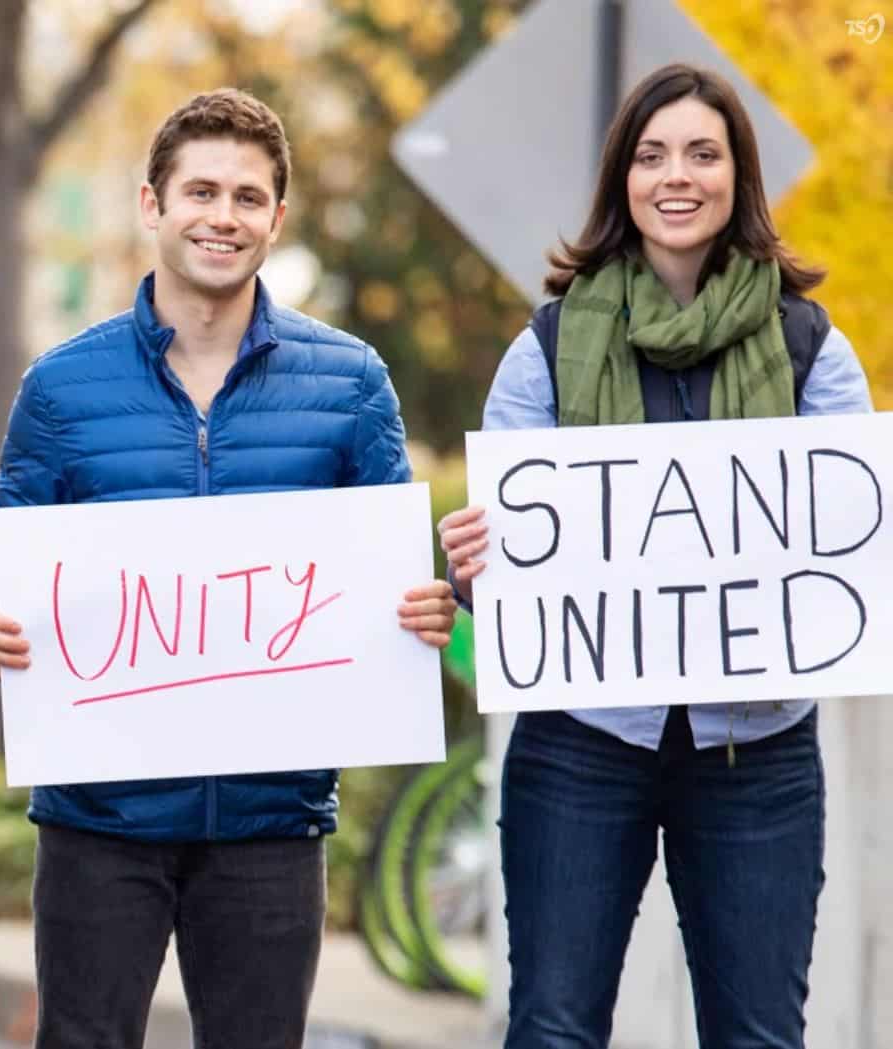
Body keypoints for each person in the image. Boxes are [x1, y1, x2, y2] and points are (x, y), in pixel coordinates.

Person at [0, 88, 457, 1049]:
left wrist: (425, 611)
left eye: (246, 196)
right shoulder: (61, 386)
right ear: (152, 205)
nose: (221, 216)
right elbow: (3, 554)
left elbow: (393, 572)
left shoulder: (352, 383)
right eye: (200, 191)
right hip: (99, 818)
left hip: (271, 820)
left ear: (277, 218)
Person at [438, 63, 870, 1049]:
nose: (678, 175)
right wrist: (473, 568)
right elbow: (500, 583)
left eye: (704, 154)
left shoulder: (810, 351)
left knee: (760, 1036)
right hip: (580, 748)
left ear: (738, 178)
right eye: (652, 154)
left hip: (758, 754)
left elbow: (849, 539)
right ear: (621, 181)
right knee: (552, 1028)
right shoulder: (546, 351)